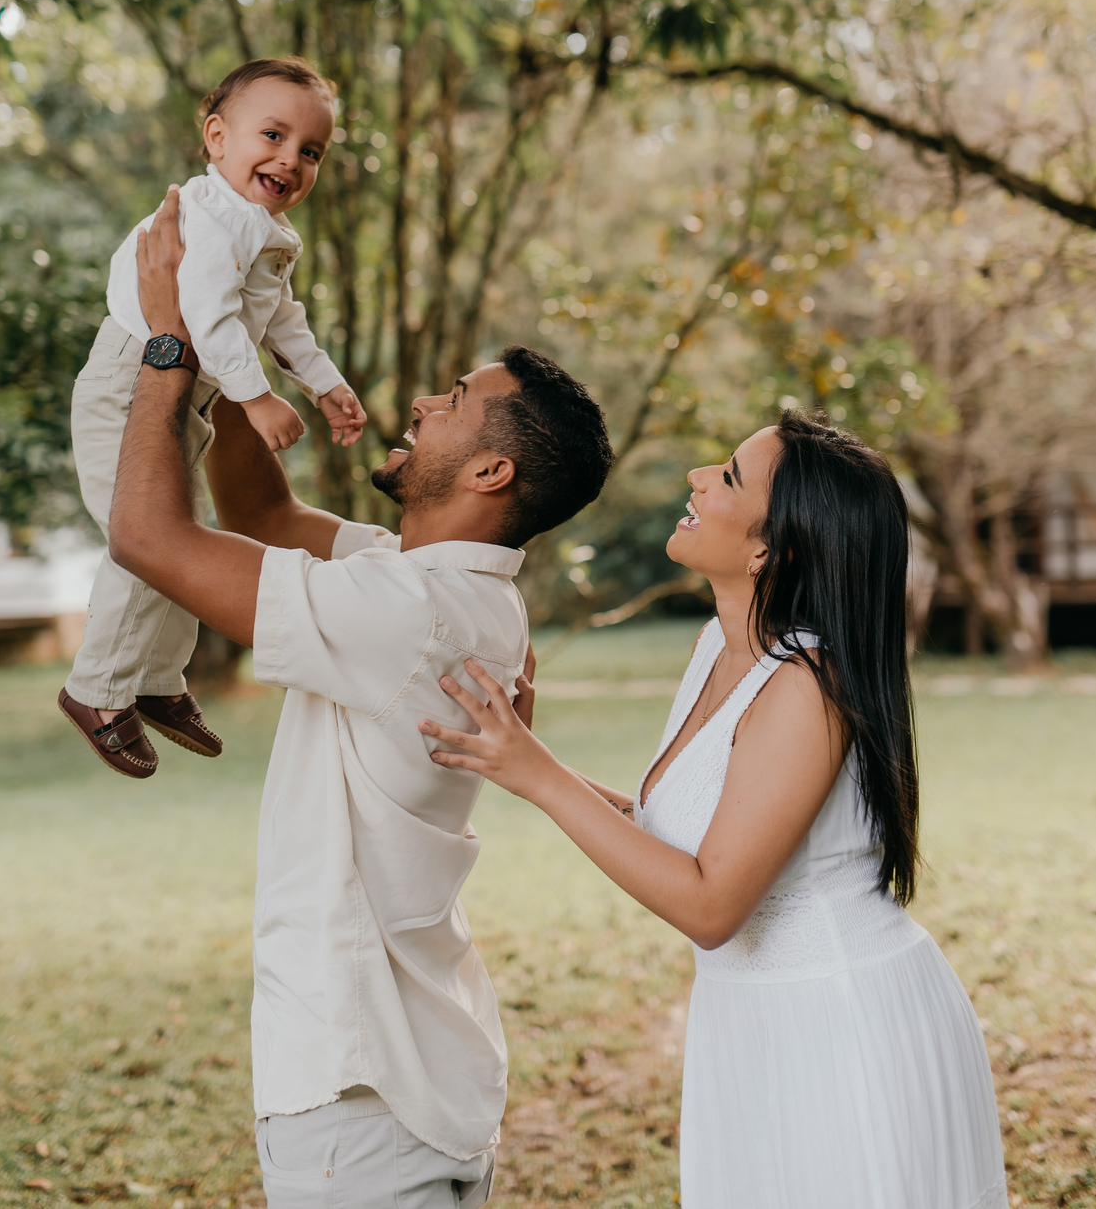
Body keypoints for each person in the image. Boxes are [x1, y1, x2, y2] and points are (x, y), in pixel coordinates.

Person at [105, 189, 615, 1207]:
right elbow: (257, 507)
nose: (422, 403)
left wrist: (167, 344)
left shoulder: (408, 607)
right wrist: (237, 341)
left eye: (454, 400)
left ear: (489, 467)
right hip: (417, 1085)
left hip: (359, 1097)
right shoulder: (453, 588)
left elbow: (149, 538)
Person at [419, 410, 1008, 1209]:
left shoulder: (807, 687)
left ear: (772, 548)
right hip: (754, 1022)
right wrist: (524, 755)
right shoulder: (719, 647)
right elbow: (682, 833)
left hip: (840, 1026)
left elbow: (711, 902)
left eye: (728, 476)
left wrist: (542, 777)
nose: (698, 477)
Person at [59, 56, 366, 776]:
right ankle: (95, 690)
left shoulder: (265, 232)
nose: (290, 158)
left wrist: (325, 384)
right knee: (144, 542)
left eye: (311, 150)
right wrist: (257, 398)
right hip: (128, 383)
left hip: (181, 396)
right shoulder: (207, 214)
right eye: (273, 134)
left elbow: (283, 319)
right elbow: (205, 312)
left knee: (182, 541)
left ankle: (158, 680)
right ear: (217, 137)